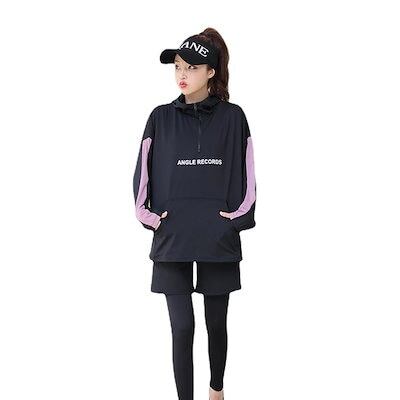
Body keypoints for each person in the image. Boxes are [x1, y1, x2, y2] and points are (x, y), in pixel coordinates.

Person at [133, 27, 257, 400]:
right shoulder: (160, 118)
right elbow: (142, 175)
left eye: (192, 67)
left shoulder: (234, 118)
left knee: (216, 324)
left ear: (211, 71)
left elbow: (248, 176)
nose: (182, 74)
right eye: (177, 66)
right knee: (183, 328)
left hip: (217, 239)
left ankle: (216, 390)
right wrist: (151, 218)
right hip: (172, 239)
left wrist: (236, 220)